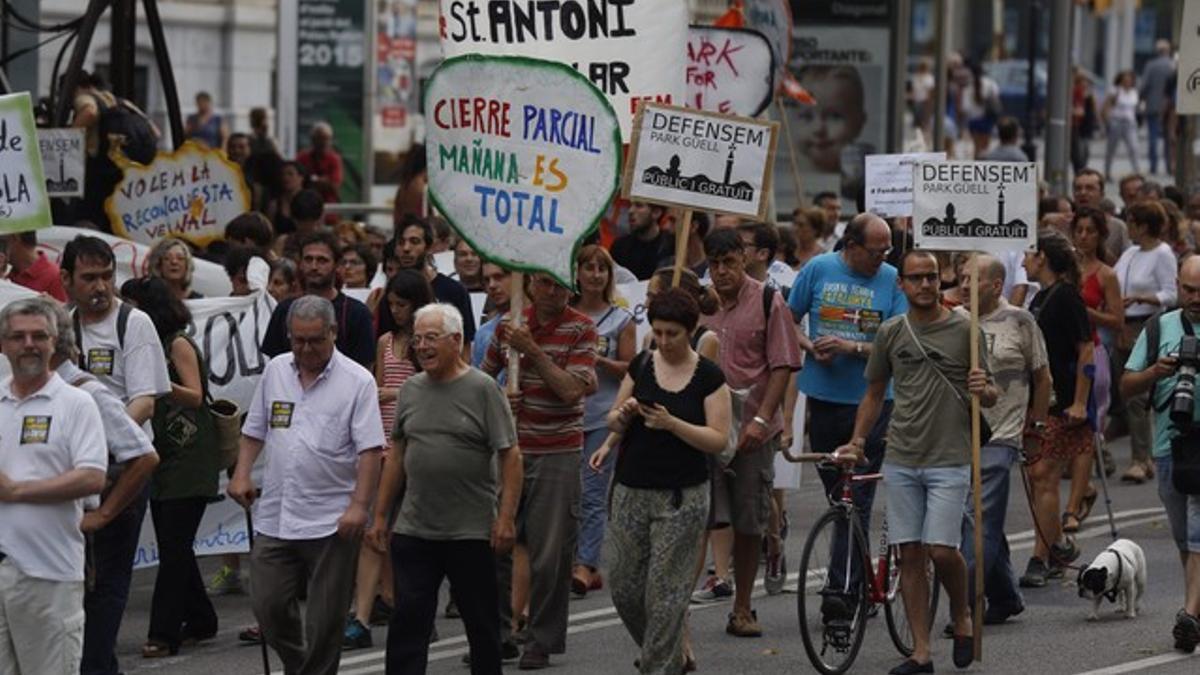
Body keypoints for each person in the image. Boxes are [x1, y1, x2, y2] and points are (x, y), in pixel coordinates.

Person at [835, 249, 997, 674]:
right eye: (916, 278)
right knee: (909, 554)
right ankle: (920, 652)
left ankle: (962, 615)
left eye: (931, 277)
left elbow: (992, 392)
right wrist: (856, 440)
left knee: (942, 550)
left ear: (940, 281)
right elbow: (873, 393)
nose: (925, 285)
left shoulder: (966, 329)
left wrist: (985, 387)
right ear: (901, 284)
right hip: (902, 455)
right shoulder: (891, 333)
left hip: (951, 455)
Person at [228, 295, 385, 675]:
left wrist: (359, 507)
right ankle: (302, 668)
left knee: (325, 621)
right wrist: (242, 473)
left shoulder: (358, 381)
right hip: (277, 514)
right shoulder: (277, 370)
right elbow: (254, 431)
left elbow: (370, 450)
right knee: (268, 606)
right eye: (297, 340)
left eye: (315, 340)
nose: (305, 349)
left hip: (332, 520)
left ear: (333, 333)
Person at [368, 303, 522, 675]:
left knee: (482, 625)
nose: (422, 346)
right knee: (408, 621)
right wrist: (380, 516)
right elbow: (398, 454)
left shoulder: (483, 389)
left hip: (471, 530)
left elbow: (511, 456)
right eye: (417, 339)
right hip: (416, 528)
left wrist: (505, 519)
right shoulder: (410, 390)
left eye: (431, 338)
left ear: (456, 341)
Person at [590, 288, 731, 674]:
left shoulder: (709, 376)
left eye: (673, 333)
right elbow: (615, 416)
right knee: (625, 589)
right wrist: (622, 420)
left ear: (691, 331)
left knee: (665, 597)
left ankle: (658, 666)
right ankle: (671, 655)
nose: (664, 341)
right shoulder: (642, 364)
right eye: (658, 332)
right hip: (631, 490)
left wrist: (673, 424)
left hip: (681, 496)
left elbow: (718, 438)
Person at [61, 235, 171, 675]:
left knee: (106, 582)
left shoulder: (134, 323)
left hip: (123, 466)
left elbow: (145, 400)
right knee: (75, 584)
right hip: (75, 472)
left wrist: (101, 438)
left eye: (107, 276)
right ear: (67, 280)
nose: (101, 286)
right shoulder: (63, 325)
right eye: (89, 277)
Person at [481, 272, 598, 669]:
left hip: (557, 450)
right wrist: (500, 398)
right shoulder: (508, 324)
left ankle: (541, 639)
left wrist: (532, 351)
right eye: (545, 284)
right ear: (530, 284)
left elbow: (570, 390)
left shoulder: (582, 328)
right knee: (494, 544)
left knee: (550, 554)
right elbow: (481, 382)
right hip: (510, 447)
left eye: (561, 285)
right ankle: (495, 634)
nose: (553, 292)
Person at [787, 213, 907, 593]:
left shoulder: (892, 280)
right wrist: (809, 345)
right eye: (876, 251)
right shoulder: (818, 269)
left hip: (873, 402)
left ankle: (842, 591)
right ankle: (854, 577)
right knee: (838, 498)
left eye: (887, 250)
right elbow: (787, 321)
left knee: (856, 498)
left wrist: (851, 347)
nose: (882, 258)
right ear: (851, 247)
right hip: (823, 401)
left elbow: (899, 344)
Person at [702, 228, 802, 638]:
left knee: (748, 521)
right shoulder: (701, 304)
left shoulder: (768, 300)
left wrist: (763, 420)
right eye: (714, 264)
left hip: (751, 429)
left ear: (743, 259)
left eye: (729, 262)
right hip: (706, 426)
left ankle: (742, 607)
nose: (722, 271)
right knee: (700, 518)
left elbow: (782, 363)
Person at [0, 298, 107, 675]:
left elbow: (93, 476)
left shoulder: (77, 403)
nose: (28, 344)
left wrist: (17, 492)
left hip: (49, 575)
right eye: (17, 336)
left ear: (53, 342)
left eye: (38, 336)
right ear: (3, 345)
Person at [120, 278, 221, 658]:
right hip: (161, 455)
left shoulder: (176, 343)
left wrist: (158, 382)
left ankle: (163, 633)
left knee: (174, 547)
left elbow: (195, 395)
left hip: (188, 457)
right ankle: (200, 618)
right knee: (173, 543)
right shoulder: (144, 344)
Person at [956, 255, 1050, 625]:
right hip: (962, 433)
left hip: (1004, 433)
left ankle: (964, 603)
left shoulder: (1021, 321)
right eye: (961, 278)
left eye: (973, 280)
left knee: (976, 519)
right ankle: (1006, 595)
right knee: (982, 518)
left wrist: (1036, 429)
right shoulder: (955, 321)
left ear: (996, 286)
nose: (963, 285)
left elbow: (1042, 378)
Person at [343, 270, 433, 650]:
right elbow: (374, 389)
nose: (396, 311)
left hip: (420, 445)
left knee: (411, 536)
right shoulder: (384, 342)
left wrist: (392, 392)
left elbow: (433, 387)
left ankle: (413, 610)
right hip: (384, 443)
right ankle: (361, 617)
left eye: (403, 304)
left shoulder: (428, 342)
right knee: (373, 530)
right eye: (392, 304)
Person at [1120, 255, 1200, 653]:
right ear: (1177, 285)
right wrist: (1156, 372)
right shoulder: (1159, 328)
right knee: (1184, 538)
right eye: (1189, 289)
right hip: (1171, 445)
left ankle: (1190, 614)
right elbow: (1126, 386)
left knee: (1199, 532)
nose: (1196, 297)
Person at [1018, 233, 1095, 587]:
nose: (1022, 262)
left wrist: (1080, 400)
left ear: (1044, 258)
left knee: (1043, 475)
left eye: (1029, 254)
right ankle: (1056, 547)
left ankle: (1042, 555)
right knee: (1038, 477)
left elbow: (1086, 352)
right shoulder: (1041, 298)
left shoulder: (1066, 297)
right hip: (1038, 400)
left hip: (1062, 402)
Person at [571, 246, 635, 597]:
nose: (595, 274)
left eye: (602, 269)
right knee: (566, 491)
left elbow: (631, 366)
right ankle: (567, 557)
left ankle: (586, 563)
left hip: (602, 415)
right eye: (589, 267)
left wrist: (600, 361)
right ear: (577, 273)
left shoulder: (620, 319)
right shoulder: (565, 315)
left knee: (593, 491)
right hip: (566, 413)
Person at [1114, 201, 1178, 483]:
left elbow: (1171, 294)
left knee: (1138, 396)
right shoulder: (1130, 253)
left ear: (1143, 225)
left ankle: (1142, 458)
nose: (1129, 228)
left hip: (1147, 323)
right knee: (1124, 391)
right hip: (1124, 324)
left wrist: (1143, 298)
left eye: (1132, 223)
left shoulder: (1163, 254)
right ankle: (1135, 454)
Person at [261, 230, 377, 369]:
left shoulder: (357, 313)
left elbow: (364, 370)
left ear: (337, 265)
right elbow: (275, 365)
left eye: (322, 260)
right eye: (308, 259)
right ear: (301, 263)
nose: (314, 266)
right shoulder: (284, 310)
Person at [1071, 206, 1125, 489]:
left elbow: (1117, 320)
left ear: (1100, 235)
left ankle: (1086, 477)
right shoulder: (1064, 268)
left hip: (1092, 349)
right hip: (1062, 350)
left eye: (1090, 231)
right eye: (1079, 230)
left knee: (1091, 416)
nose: (1083, 236)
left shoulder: (1106, 274)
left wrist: (1088, 314)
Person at [380, 217, 476, 352]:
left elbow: (465, 346)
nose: (406, 248)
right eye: (401, 242)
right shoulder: (390, 294)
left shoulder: (454, 291)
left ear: (429, 247)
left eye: (414, 242)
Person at [1072, 168, 1131, 261]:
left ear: (1102, 194)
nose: (1083, 193)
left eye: (1090, 188)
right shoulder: (1062, 225)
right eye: (1078, 188)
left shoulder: (1117, 227)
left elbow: (1126, 264)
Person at [1140, 39, 1176, 176]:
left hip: (1153, 105)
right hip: (1171, 107)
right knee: (1169, 137)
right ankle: (1168, 166)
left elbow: (1144, 86)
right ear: (1168, 51)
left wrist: (1141, 99)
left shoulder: (1151, 65)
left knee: (1153, 137)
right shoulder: (1173, 65)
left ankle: (1153, 166)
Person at [610, 202, 671, 281]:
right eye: (630, 205)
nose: (630, 211)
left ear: (656, 213)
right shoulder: (620, 246)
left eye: (639, 206)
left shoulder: (670, 248)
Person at [4, 230, 67, 301]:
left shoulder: (55, 277)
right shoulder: (9, 275)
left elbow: (64, 311)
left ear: (14, 238)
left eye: (1, 240)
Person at [959, 60, 1002, 158]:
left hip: (973, 120)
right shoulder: (990, 83)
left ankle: (976, 167)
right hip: (987, 119)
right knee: (985, 148)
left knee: (976, 148)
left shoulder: (968, 86)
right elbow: (996, 99)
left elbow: (964, 108)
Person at [1104, 70, 1142, 179]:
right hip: (1117, 121)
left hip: (1130, 123)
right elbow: (1107, 106)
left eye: (1129, 80)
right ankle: (1107, 172)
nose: (1127, 82)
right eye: (1125, 80)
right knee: (1111, 149)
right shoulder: (1115, 91)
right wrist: (1107, 122)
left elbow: (1136, 107)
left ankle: (1137, 172)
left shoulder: (1134, 92)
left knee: (1134, 148)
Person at [474, 262, 512, 369]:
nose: (491, 285)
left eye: (499, 277)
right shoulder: (483, 334)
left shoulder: (539, 321)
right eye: (486, 280)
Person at [296, 121, 344, 204]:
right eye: (320, 138)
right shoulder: (302, 158)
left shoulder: (335, 159)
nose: (324, 142)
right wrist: (323, 181)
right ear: (312, 140)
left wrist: (312, 181)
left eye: (327, 138)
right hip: (306, 206)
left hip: (329, 208)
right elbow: (297, 183)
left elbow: (334, 185)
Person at [266, 161, 309, 237]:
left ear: (301, 177)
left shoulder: (311, 201)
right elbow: (270, 232)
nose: (286, 178)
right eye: (283, 174)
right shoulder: (275, 205)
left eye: (290, 174)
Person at [1071, 68, 1100, 173]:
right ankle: (1079, 172)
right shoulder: (1076, 91)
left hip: (1087, 127)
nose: (1085, 84)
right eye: (1083, 81)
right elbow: (1077, 109)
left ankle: (1081, 171)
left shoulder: (1089, 94)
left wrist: (1097, 122)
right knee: (1079, 154)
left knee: (1085, 152)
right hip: (1078, 126)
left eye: (1086, 82)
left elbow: (1093, 109)